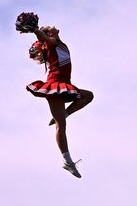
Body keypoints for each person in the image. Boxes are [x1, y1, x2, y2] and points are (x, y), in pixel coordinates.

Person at [26, 25, 94, 178]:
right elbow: (42, 38)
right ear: (49, 34)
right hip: (55, 87)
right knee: (61, 125)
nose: (54, 26)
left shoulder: (60, 44)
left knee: (88, 95)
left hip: (65, 85)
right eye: (50, 28)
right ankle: (67, 161)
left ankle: (65, 112)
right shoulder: (51, 42)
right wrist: (35, 29)